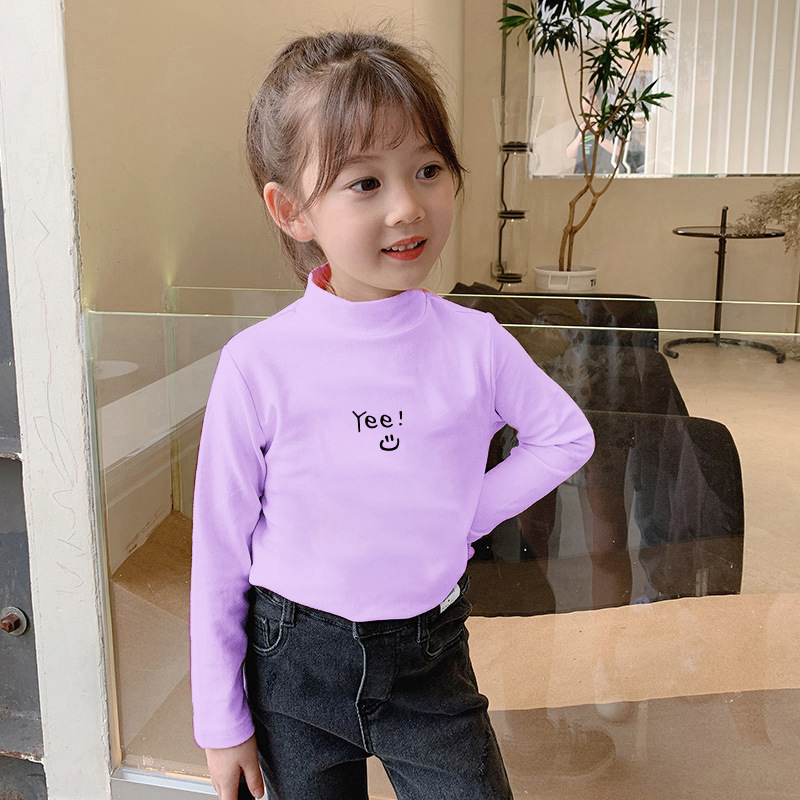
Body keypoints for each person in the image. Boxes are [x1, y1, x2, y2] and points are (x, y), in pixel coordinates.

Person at [189, 29, 595, 800]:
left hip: (428, 664)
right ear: (291, 210)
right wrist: (221, 720)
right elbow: (220, 549)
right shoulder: (258, 363)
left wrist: (466, 510)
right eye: (365, 182)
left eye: (428, 169)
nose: (408, 207)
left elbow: (564, 435)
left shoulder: (475, 342)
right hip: (293, 667)